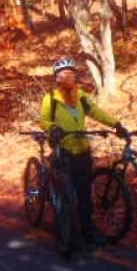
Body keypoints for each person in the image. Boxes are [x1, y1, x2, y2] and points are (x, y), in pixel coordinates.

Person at [40, 57, 127, 246]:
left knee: (84, 193)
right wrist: (53, 128)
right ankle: (64, 228)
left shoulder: (81, 96)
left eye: (70, 74)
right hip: (64, 148)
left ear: (74, 77)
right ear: (57, 78)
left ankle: (87, 228)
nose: (67, 78)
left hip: (83, 149)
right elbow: (44, 120)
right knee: (65, 192)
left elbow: (96, 111)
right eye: (63, 75)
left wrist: (116, 125)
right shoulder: (50, 98)